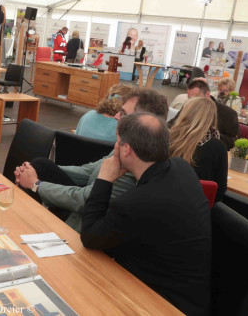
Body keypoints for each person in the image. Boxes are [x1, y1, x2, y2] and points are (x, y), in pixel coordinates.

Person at [80, 112, 211, 315]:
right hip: (192, 291)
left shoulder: (136, 203)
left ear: (126, 149)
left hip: (162, 303)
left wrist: (104, 179)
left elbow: (89, 236)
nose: (115, 147)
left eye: (118, 142)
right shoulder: (181, 167)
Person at [15, 89, 168, 232]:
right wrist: (34, 172)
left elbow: (82, 199)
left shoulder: (133, 161)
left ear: (142, 122)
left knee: (38, 172)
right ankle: (21, 220)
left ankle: (24, 226)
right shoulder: (125, 144)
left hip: (84, 223)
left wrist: (36, 184)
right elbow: (88, 170)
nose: (116, 116)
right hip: (84, 205)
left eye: (123, 113)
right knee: (40, 165)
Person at [169, 97, 227, 201]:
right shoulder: (218, 147)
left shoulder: (168, 138)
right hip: (197, 210)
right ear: (212, 117)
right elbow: (219, 191)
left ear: (185, 113)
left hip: (163, 201)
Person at [167, 78, 239, 150]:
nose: (191, 102)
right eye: (189, 98)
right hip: (186, 150)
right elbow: (172, 124)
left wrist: (209, 134)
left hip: (211, 153)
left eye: (196, 98)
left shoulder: (227, 113)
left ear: (207, 94)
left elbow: (234, 141)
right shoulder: (188, 106)